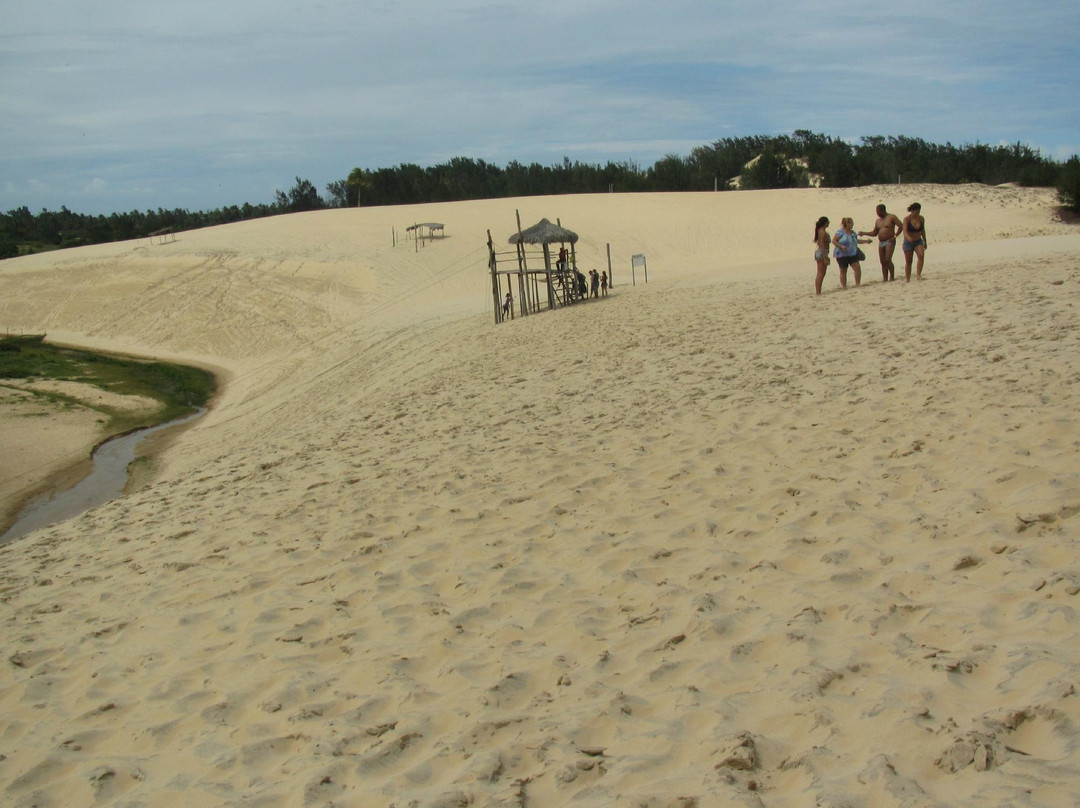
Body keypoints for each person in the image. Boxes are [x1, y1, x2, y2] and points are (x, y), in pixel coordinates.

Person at [859, 204, 904, 282]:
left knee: (888, 259)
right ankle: (885, 278)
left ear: (882, 210)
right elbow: (875, 233)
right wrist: (864, 233)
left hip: (889, 241)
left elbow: (900, 225)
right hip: (881, 242)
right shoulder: (878, 221)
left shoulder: (891, 217)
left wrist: (895, 236)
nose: (877, 213)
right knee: (882, 261)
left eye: (878, 211)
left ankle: (892, 277)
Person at [832, 217, 872, 289]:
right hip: (842, 255)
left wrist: (866, 241)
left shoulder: (853, 233)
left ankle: (857, 284)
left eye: (852, 222)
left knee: (857, 268)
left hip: (852, 253)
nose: (852, 224)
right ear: (845, 224)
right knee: (843, 270)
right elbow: (834, 241)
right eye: (850, 223)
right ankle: (844, 287)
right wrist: (841, 246)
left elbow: (856, 241)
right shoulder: (840, 232)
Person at [901, 202, 928, 281]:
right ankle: (907, 278)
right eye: (916, 212)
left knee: (921, 256)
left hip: (918, 241)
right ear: (912, 211)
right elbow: (905, 231)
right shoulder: (907, 219)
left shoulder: (921, 218)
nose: (917, 213)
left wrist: (925, 241)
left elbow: (922, 230)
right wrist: (909, 238)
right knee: (909, 261)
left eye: (918, 212)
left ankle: (918, 275)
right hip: (908, 242)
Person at [813, 216, 831, 295]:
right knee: (821, 273)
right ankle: (818, 291)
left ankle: (818, 291)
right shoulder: (823, 232)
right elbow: (822, 245)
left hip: (820, 252)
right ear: (825, 223)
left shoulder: (819, 231)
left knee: (821, 273)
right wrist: (825, 257)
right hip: (822, 252)